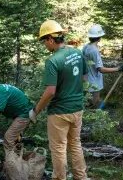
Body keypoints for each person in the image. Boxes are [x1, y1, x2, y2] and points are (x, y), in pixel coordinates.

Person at [29, 20, 88, 180]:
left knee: (58, 148)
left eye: (44, 42)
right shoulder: (77, 53)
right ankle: (81, 177)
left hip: (59, 112)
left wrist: (36, 110)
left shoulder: (53, 61)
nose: (44, 46)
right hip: (77, 108)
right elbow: (83, 78)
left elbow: (50, 91)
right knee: (75, 144)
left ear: (50, 39)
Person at [82, 24, 123, 108]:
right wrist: (119, 68)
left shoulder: (86, 47)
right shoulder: (94, 51)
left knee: (87, 106)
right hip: (94, 84)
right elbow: (101, 69)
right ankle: (94, 119)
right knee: (94, 107)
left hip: (86, 82)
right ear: (99, 37)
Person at [0, 77, 33, 151]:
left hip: (24, 113)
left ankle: (12, 161)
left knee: (9, 138)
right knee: (15, 139)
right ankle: (18, 157)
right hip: (22, 112)